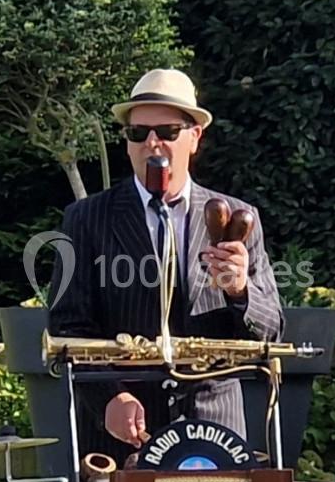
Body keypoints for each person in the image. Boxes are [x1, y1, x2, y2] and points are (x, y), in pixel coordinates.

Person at [48, 68, 284, 462]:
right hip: (123, 436)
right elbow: (67, 325)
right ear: (126, 144)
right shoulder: (86, 218)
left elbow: (272, 329)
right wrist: (112, 397)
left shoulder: (241, 217)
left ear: (195, 137)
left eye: (168, 132)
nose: (152, 143)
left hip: (215, 434)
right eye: (138, 133)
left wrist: (240, 290)